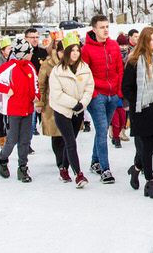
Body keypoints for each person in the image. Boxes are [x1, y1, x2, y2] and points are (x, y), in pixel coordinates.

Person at [122, 27, 153, 199]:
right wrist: (139, 100)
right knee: (145, 145)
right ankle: (150, 183)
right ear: (145, 41)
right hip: (142, 108)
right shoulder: (134, 61)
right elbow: (125, 88)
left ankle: (136, 169)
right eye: (152, 40)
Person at [0, 38, 39, 183]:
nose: (32, 54)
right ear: (23, 53)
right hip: (14, 109)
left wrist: (36, 96)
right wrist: (6, 89)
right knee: (12, 139)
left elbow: (35, 84)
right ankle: (2, 159)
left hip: (28, 109)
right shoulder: (9, 67)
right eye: (30, 52)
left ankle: (23, 167)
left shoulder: (30, 67)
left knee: (24, 140)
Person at [49, 32, 94, 189]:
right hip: (62, 110)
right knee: (69, 141)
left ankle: (63, 169)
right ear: (66, 52)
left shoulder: (84, 68)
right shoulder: (57, 71)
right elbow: (56, 93)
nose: (75, 53)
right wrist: (73, 103)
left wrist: (82, 103)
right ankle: (78, 174)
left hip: (78, 110)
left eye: (77, 50)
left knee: (72, 140)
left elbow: (89, 87)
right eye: (72, 50)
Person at [82, 14, 124, 184]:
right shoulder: (86, 49)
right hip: (97, 95)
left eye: (107, 26)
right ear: (94, 29)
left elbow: (120, 69)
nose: (105, 30)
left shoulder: (114, 46)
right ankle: (105, 168)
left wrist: (119, 92)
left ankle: (95, 162)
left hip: (113, 94)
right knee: (101, 130)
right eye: (102, 27)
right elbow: (84, 74)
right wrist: (92, 95)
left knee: (103, 128)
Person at [34, 36, 70, 182]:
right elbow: (41, 84)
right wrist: (40, 102)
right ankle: (60, 161)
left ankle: (68, 159)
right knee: (57, 134)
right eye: (62, 52)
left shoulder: (74, 64)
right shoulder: (48, 64)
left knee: (69, 134)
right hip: (52, 103)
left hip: (69, 102)